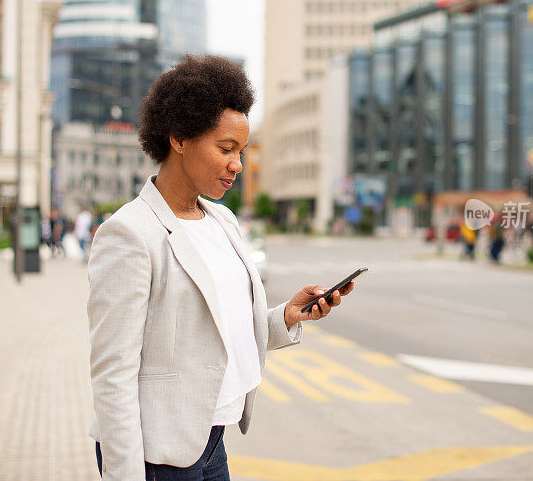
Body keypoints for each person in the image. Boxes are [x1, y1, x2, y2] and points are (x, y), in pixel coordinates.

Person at [87, 55, 354, 481]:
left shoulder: (224, 221)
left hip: (212, 444)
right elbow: (112, 371)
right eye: (226, 149)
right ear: (178, 138)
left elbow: (216, 332)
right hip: (160, 454)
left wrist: (287, 316)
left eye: (241, 152)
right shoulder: (129, 234)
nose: (238, 165)